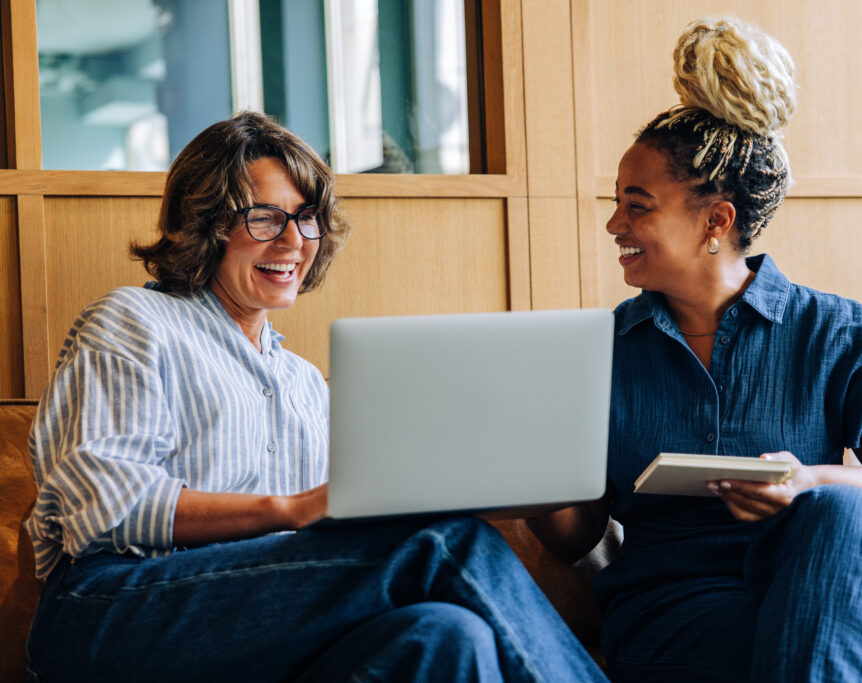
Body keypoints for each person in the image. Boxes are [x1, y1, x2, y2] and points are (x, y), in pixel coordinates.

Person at [24, 111, 608, 683]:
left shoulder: (305, 382)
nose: (293, 241)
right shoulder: (134, 320)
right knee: (449, 547)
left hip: (254, 626)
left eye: (306, 219)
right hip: (108, 610)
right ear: (205, 223)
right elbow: (106, 507)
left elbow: (324, 555)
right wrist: (294, 508)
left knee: (449, 635)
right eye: (264, 218)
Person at [527, 17, 862, 683]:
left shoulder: (834, 328)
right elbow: (576, 536)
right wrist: (528, 464)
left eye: (636, 207)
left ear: (716, 221)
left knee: (840, 516)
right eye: (616, 205)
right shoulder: (603, 348)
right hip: (678, 617)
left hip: (826, 586)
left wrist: (809, 481)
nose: (615, 225)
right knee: (824, 650)